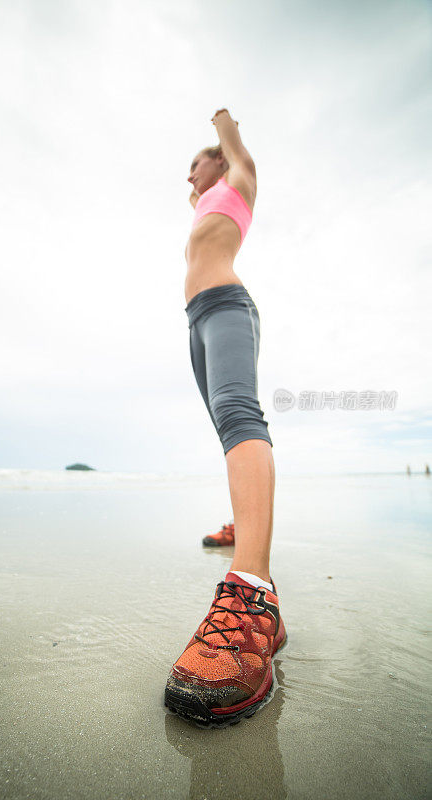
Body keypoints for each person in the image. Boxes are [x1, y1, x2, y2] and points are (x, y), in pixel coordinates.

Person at [164, 108, 287, 728]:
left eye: (196, 162)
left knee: (240, 416)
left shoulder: (235, 179)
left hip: (227, 307)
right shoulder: (202, 199)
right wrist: (195, 182)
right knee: (224, 428)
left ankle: (254, 591)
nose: (189, 174)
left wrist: (223, 127)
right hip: (197, 317)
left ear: (215, 160)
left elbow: (245, 158)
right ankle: (243, 521)